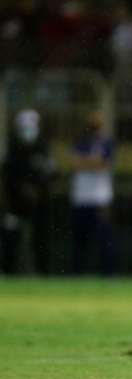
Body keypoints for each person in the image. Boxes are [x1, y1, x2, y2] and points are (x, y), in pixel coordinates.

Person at [1, 109, 55, 274]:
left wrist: (37, 190)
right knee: (11, 237)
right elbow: (7, 176)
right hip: (16, 202)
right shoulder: (13, 149)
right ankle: (8, 271)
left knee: (41, 238)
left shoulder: (44, 147)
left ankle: (43, 273)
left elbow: (51, 174)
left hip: (40, 202)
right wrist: (21, 189)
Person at [70, 110, 117, 276]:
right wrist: (95, 163)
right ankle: (77, 273)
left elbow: (106, 164)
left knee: (104, 238)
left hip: (100, 197)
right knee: (79, 238)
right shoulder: (80, 142)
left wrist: (87, 163)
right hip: (81, 196)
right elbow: (76, 164)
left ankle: (108, 274)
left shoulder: (107, 143)